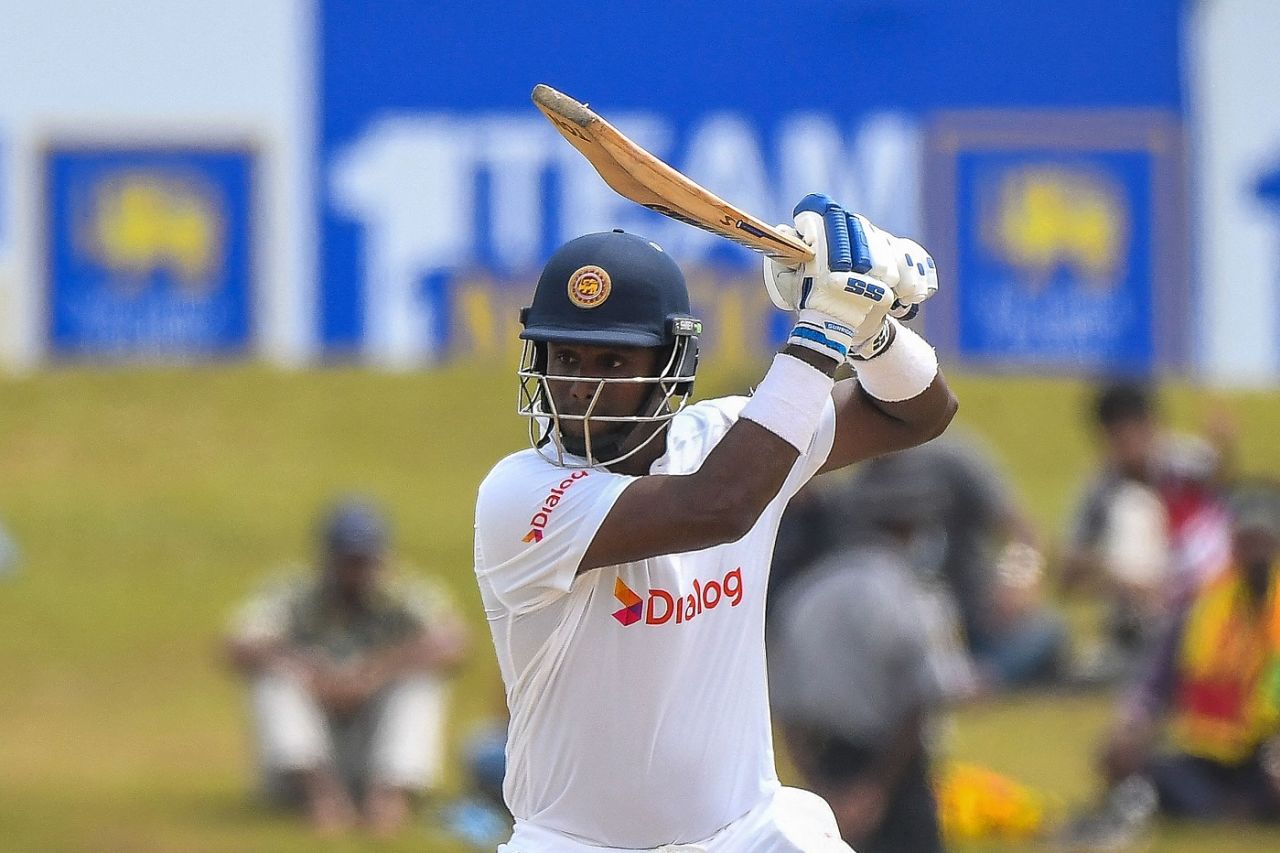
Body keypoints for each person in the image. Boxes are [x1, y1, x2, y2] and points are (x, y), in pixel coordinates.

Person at [473, 194, 958, 852]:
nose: (582, 385)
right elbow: (719, 506)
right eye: (566, 359)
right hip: (572, 842)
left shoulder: (733, 441)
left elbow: (920, 413)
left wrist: (874, 331)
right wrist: (826, 323)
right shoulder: (521, 496)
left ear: (669, 365)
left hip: (743, 833)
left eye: (613, 362)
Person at [226, 497, 469, 836]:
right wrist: (309, 672)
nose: (356, 572)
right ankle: (321, 795)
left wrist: (375, 673)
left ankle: (388, 797)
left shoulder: (400, 595)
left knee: (420, 681)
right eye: (348, 561)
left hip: (372, 743)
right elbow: (237, 643)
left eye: (364, 561)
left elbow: (453, 642)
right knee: (275, 678)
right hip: (311, 750)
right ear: (326, 558)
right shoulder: (296, 593)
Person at [1060, 481, 1280, 849]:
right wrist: (1131, 725)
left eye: (1264, 542)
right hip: (1208, 757)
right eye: (1247, 542)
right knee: (1144, 769)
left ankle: (1229, 809)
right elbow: (1154, 683)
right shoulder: (1204, 606)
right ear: (1233, 545)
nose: (1255, 554)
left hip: (1267, 756)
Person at [772, 433, 1067, 691]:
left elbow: (1022, 532)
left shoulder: (952, 462)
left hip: (975, 617)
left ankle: (979, 680)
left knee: (1044, 634)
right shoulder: (853, 487)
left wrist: (1018, 580)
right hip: (902, 629)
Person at [768, 477, 950, 852]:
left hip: (825, 764)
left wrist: (821, 789)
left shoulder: (803, 594)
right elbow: (922, 699)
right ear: (909, 528)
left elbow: (785, 709)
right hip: (895, 766)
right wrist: (876, 788)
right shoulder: (910, 594)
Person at [1062, 382, 1233, 682]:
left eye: (1136, 433)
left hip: (1202, 611)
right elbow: (1068, 573)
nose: (1130, 447)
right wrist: (1117, 576)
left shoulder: (1186, 465)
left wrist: (1224, 449)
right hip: (1136, 626)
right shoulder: (1102, 490)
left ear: (1153, 426)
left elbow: (1224, 515)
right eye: (1119, 438)